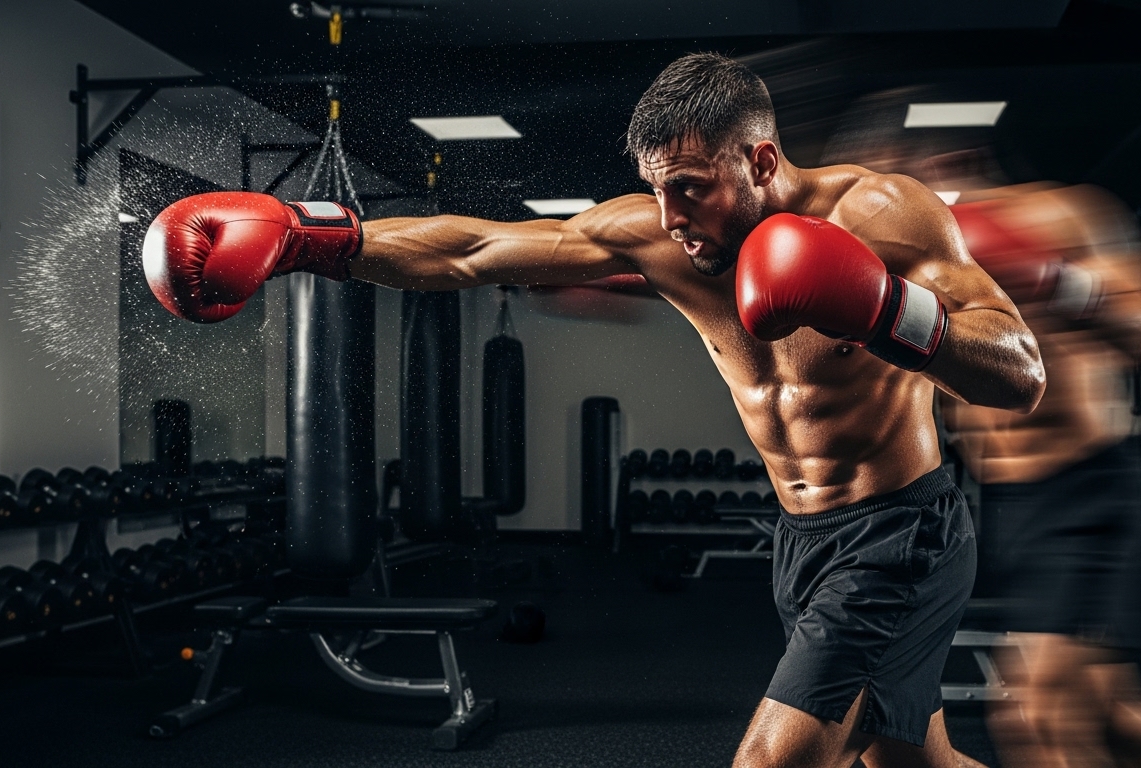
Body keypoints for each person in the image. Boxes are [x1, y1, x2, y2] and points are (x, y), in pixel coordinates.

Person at [142, 53, 1045, 768]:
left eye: (692, 184)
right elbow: (478, 249)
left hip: (902, 538)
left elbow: (1019, 372)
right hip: (802, 541)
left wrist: (885, 307)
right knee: (906, 760)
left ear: (761, 158)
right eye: (656, 185)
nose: (669, 212)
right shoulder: (660, 230)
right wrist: (312, 240)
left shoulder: (883, 213)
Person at [824, 90, 1141, 767]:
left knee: (1037, 713)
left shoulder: (1060, 212)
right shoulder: (910, 258)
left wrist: (1056, 279)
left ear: (943, 164)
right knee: (1114, 712)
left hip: (1090, 491)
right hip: (1014, 508)